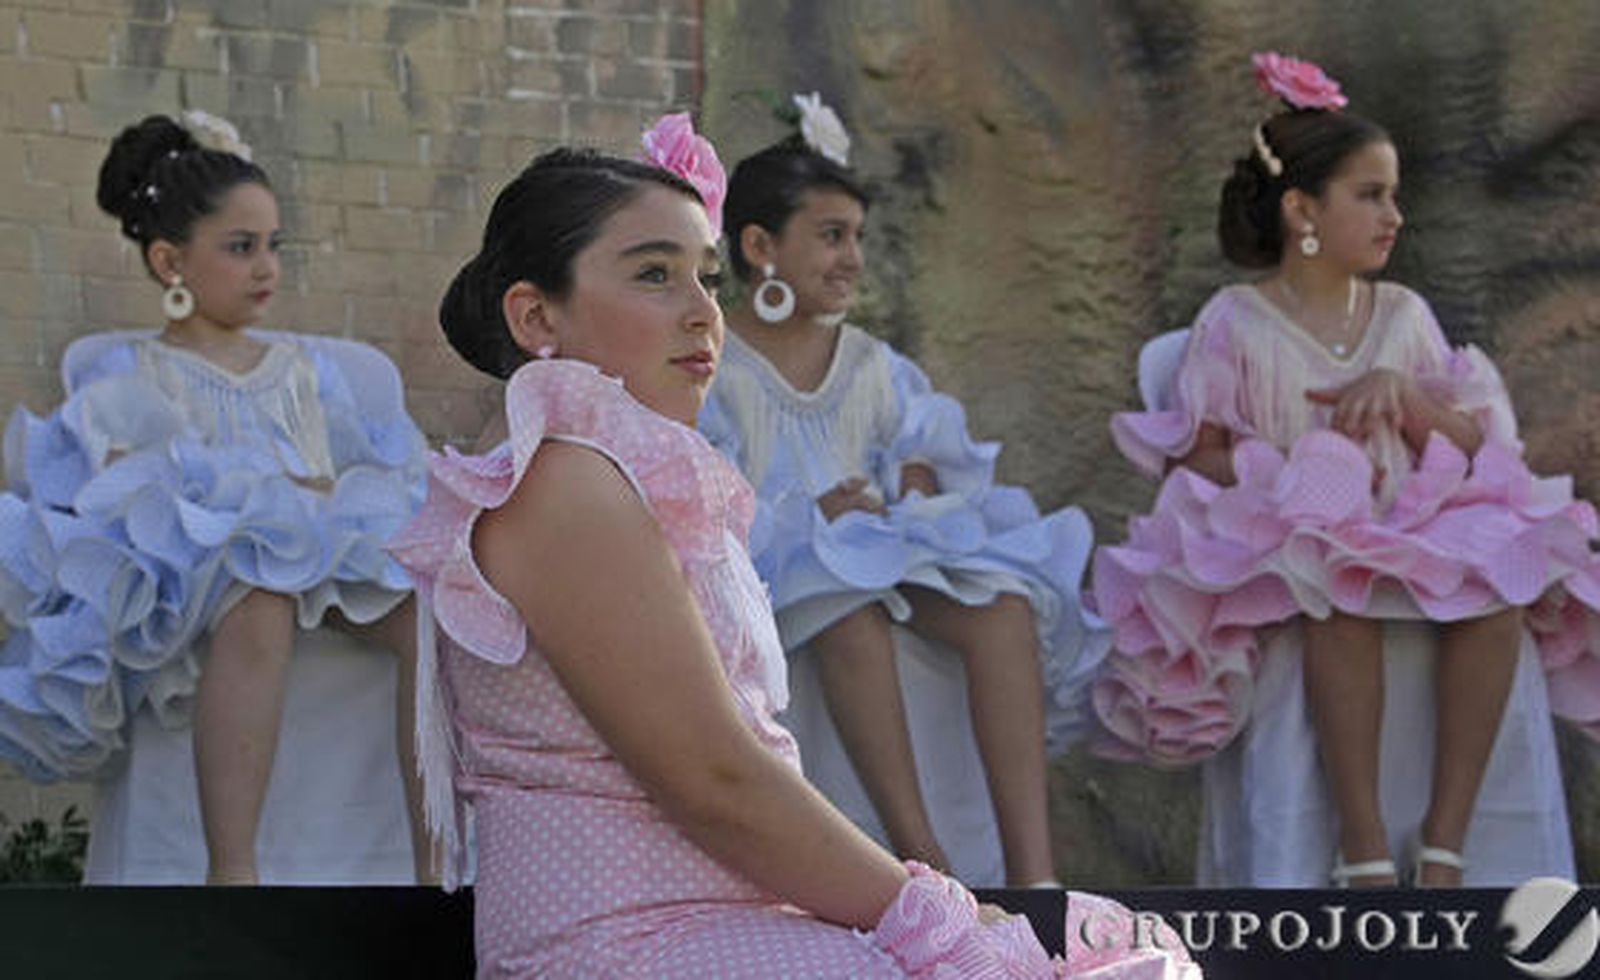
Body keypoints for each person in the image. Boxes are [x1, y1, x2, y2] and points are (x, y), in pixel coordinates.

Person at [388, 114, 1199, 978]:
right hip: (624, 947)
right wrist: (937, 919)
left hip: (710, 926)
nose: (703, 313)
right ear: (534, 314)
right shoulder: (568, 483)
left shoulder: (606, 473)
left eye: (705, 277)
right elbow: (714, 779)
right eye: (655, 275)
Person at [1093, 53, 1596, 887]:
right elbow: (1196, 452)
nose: (1393, 215)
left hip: (1411, 520)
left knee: (1500, 594)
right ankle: (1363, 846)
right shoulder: (1237, 321)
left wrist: (1407, 399)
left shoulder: (1403, 315)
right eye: (1371, 194)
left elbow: (1476, 442)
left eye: (1393, 195)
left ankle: (1444, 843)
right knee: (1338, 593)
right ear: (1302, 209)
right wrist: (1293, 465)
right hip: (1298, 534)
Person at [0, 112, 432, 884]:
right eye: (240, 248)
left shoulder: (307, 370)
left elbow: (345, 471)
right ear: (171, 260)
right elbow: (127, 491)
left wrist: (310, 497)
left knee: (425, 614)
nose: (266, 266)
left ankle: (435, 862)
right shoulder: (130, 374)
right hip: (195, 569)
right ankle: (233, 870)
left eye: (273, 246)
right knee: (257, 590)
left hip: (319, 548)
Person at [697, 94, 1106, 888]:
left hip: (880, 547)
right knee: (845, 606)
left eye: (857, 238)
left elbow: (923, 448)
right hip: (777, 561)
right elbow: (710, 490)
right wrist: (816, 512)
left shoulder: (872, 366)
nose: (853, 257)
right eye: (830, 236)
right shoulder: (720, 368)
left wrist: (913, 482)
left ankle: (1036, 877)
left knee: (1002, 605)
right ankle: (925, 859)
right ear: (759, 246)